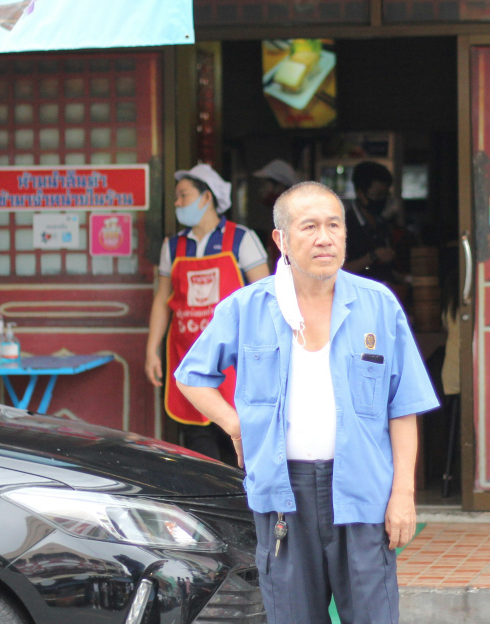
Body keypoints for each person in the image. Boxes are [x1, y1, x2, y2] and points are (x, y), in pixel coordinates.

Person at [175, 182, 439, 624]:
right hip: (283, 494)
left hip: (362, 492)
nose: (325, 238)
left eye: (334, 225)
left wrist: (403, 495)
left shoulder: (377, 306)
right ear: (280, 240)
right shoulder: (248, 307)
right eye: (310, 226)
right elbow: (192, 376)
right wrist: (236, 425)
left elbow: (403, 405)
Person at [145, 164, 270, 462]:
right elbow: (163, 298)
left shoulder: (241, 239)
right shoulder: (173, 247)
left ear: (206, 198)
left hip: (234, 361)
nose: (177, 203)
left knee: (234, 435)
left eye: (183, 195)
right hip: (187, 355)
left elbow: (267, 297)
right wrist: (152, 350)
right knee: (196, 444)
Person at [342, 161, 398, 283]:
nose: (382, 201)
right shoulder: (344, 226)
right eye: (378, 196)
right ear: (361, 193)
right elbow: (337, 272)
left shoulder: (382, 224)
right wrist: (372, 256)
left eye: (385, 195)